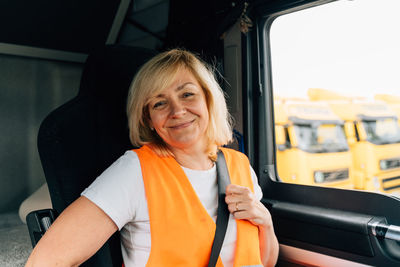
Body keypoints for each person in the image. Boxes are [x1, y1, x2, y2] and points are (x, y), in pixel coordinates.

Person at [25, 49, 279, 267]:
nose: (177, 110)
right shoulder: (135, 170)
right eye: (159, 103)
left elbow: (263, 261)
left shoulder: (240, 165)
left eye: (187, 94)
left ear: (208, 99)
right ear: (149, 120)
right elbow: (47, 260)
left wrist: (264, 221)